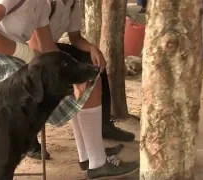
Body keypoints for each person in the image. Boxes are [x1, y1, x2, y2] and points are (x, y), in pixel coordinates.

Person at [0, 0, 138, 178]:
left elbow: (48, 47)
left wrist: (72, 73)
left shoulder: (40, 4)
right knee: (87, 85)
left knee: (87, 78)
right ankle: (96, 162)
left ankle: (90, 158)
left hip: (16, 60)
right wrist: (28, 55)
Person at [27, 0, 138, 179]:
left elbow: (75, 38)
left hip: (46, 53)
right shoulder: (46, 3)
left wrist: (93, 49)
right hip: (31, 58)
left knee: (91, 66)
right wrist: (71, 72)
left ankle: (88, 156)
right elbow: (37, 45)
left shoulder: (72, 3)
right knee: (88, 80)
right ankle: (97, 163)